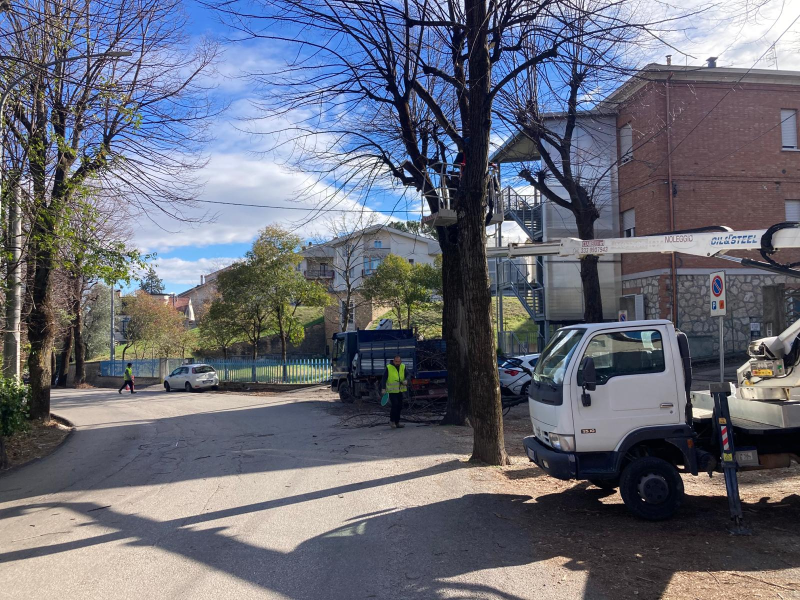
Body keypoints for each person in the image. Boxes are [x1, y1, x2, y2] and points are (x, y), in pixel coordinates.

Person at [381, 355, 408, 429]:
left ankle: (397, 422)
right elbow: (384, 378)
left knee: (399, 406)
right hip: (392, 391)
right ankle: (392, 421)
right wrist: (383, 388)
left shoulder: (403, 366)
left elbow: (408, 374)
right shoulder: (389, 367)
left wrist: (406, 380)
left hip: (400, 390)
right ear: (393, 361)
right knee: (395, 405)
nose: (398, 363)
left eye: (399, 361)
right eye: (396, 361)